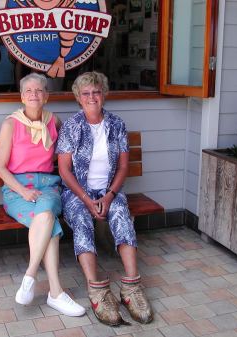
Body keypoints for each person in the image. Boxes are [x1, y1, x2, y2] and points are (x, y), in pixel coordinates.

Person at [56, 71, 153, 326]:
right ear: (78, 97)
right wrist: (87, 200)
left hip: (108, 192)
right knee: (81, 220)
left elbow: (123, 168)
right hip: (77, 193)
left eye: (96, 92)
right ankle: (96, 288)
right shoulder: (71, 126)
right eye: (86, 93)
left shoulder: (117, 125)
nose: (92, 97)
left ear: (104, 94)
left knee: (122, 216)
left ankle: (131, 286)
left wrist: (109, 196)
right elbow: (64, 170)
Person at [0, 73, 85, 317]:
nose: (34, 94)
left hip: (48, 186)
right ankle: (55, 293)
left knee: (45, 213)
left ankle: (30, 276)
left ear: (46, 96)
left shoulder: (54, 122)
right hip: (17, 189)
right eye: (29, 91)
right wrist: (23, 190)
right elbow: (0, 167)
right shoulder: (10, 125)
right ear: (22, 96)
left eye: (39, 90)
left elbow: (71, 151)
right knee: (49, 221)